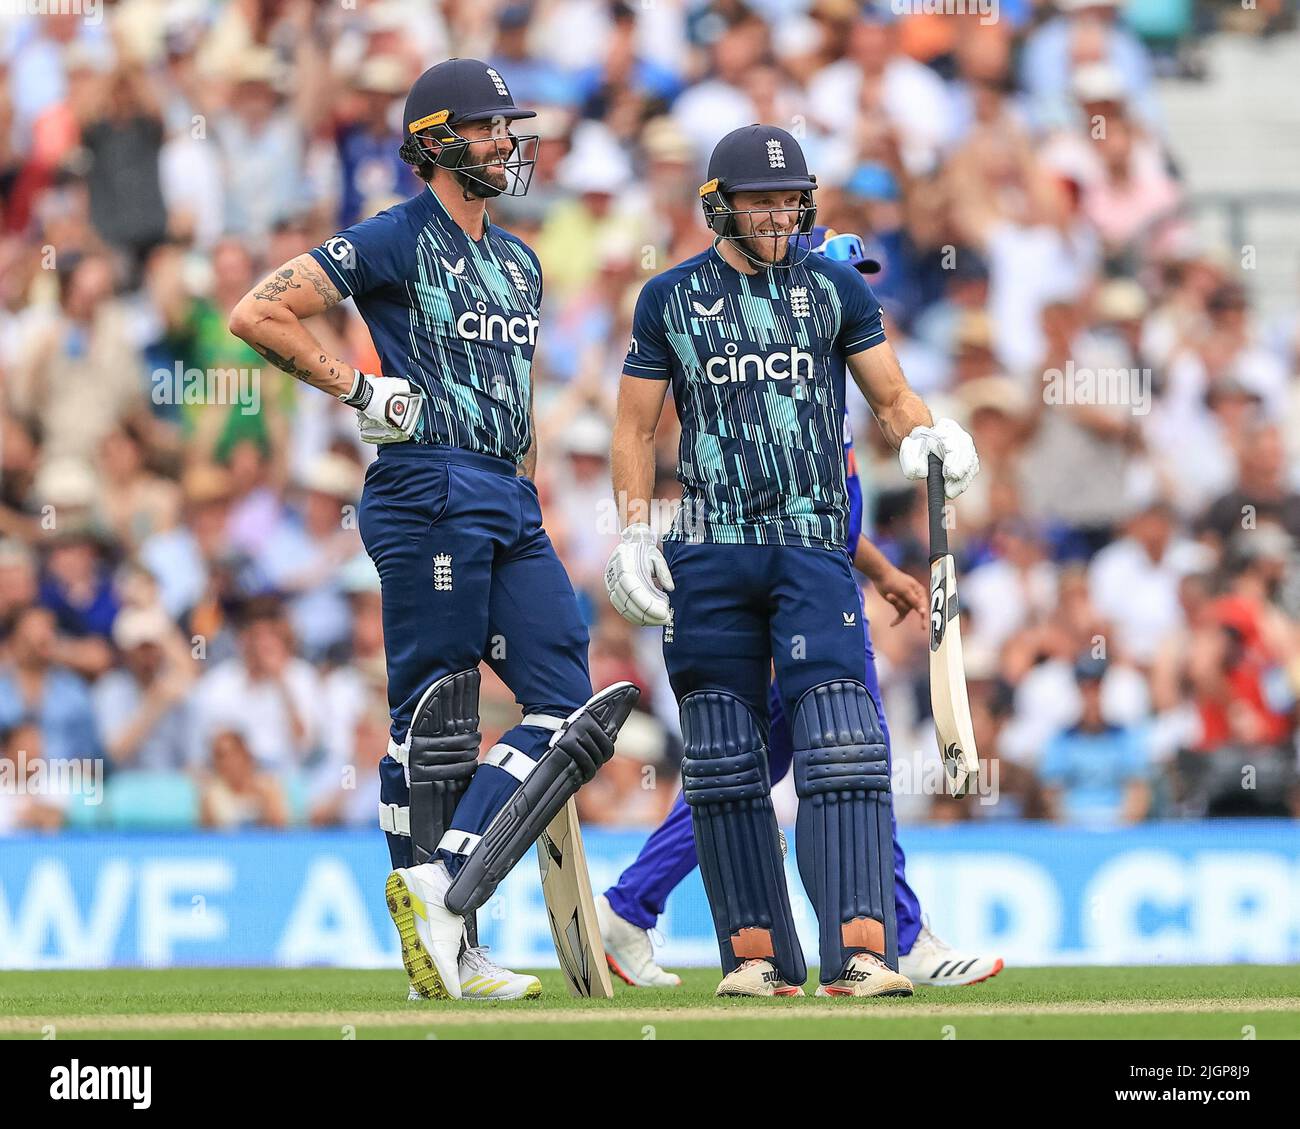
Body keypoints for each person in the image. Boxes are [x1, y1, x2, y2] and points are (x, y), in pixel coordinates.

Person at [229, 59, 639, 1002]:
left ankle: (444, 894)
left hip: (507, 490)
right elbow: (259, 310)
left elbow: (519, 399)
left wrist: (530, 491)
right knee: (436, 717)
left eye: (509, 129)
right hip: (426, 483)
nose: (509, 144)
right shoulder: (395, 236)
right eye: (494, 129)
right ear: (439, 140)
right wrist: (358, 387)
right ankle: (448, 954)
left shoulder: (522, 260)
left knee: (565, 703)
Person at [604, 127, 980, 998]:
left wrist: (926, 432)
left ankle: (863, 950)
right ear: (719, 205)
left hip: (813, 547)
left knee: (844, 746)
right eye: (758, 199)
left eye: (788, 198)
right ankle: (754, 955)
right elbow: (634, 429)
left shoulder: (833, 285)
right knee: (726, 759)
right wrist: (630, 531)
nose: (777, 213)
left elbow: (889, 394)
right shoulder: (669, 298)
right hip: (710, 549)